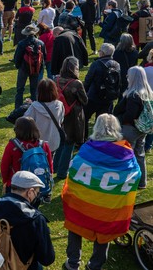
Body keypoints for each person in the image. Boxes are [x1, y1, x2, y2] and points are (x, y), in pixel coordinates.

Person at [62, 114, 141, 270]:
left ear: (96, 128)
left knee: (75, 223)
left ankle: (73, 262)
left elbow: (73, 169)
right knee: (105, 230)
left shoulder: (88, 148)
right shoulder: (126, 152)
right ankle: (95, 265)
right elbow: (136, 174)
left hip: (83, 203)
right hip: (109, 206)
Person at [0, 171, 55, 270]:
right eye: (37, 192)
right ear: (29, 192)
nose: (37, 196)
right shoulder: (36, 219)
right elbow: (47, 259)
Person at [113, 66, 151, 189]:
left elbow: (130, 114)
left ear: (133, 77)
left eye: (129, 75)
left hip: (130, 129)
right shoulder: (147, 93)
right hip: (142, 129)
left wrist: (120, 118)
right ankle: (141, 182)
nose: (127, 77)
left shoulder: (134, 95)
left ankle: (125, 182)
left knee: (125, 156)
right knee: (139, 155)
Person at [54, 56, 88, 179]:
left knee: (61, 142)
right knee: (69, 144)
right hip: (73, 117)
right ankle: (62, 172)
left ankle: (55, 167)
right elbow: (84, 100)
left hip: (59, 114)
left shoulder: (56, 79)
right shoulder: (76, 83)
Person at [0, 117, 53, 191]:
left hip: (16, 184)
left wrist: (5, 181)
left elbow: (4, 166)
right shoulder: (43, 145)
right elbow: (49, 164)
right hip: (36, 185)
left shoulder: (12, 146)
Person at [84, 43, 121, 137]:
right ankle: (100, 139)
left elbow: (88, 79)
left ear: (103, 53)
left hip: (94, 95)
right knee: (103, 122)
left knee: (84, 117)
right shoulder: (117, 65)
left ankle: (82, 139)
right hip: (109, 96)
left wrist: (84, 93)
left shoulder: (96, 64)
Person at [24, 78, 64, 156]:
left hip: (38, 144)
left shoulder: (34, 107)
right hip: (53, 142)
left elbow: (25, 123)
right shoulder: (59, 105)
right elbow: (61, 120)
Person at [13, 24, 47, 108]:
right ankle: (35, 107)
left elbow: (17, 57)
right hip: (36, 68)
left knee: (20, 89)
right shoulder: (41, 43)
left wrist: (18, 66)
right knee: (34, 90)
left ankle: (18, 108)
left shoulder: (22, 43)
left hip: (23, 68)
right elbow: (44, 57)